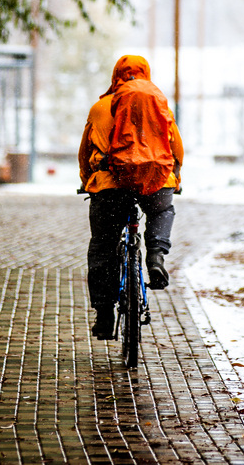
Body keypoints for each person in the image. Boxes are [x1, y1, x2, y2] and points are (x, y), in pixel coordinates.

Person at [78, 55, 183, 339]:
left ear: (116, 76)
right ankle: (156, 257)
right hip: (155, 182)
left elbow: (85, 152)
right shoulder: (158, 102)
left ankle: (103, 314)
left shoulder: (101, 107)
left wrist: (89, 181)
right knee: (161, 211)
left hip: (111, 187)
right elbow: (176, 147)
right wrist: (175, 180)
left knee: (103, 246)